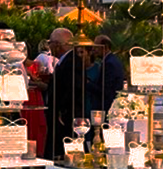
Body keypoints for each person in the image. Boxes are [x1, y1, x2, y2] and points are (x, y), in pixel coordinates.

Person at [44, 26, 89, 159]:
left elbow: (74, 88)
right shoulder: (66, 60)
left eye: (50, 43)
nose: (49, 47)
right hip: (60, 116)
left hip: (66, 117)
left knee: (65, 149)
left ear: (57, 45)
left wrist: (62, 110)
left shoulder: (72, 62)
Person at [86, 35, 126, 114]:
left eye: (96, 47)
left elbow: (106, 91)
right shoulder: (111, 60)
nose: (94, 49)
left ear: (105, 47)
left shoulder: (109, 64)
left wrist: (88, 83)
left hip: (106, 107)